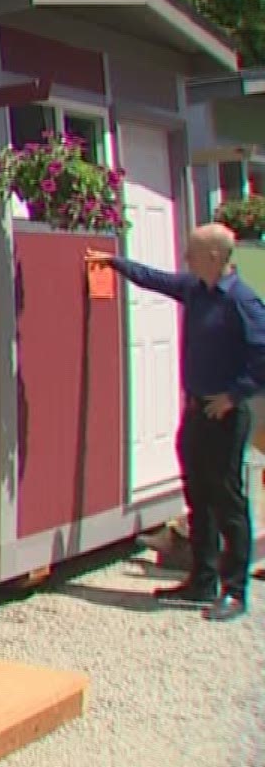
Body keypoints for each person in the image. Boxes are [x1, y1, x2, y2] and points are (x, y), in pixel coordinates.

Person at [89, 222, 265, 622]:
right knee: (197, 497)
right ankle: (201, 582)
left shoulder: (241, 300)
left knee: (227, 502)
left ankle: (234, 591)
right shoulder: (196, 290)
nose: (186, 257)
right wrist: (115, 262)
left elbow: (263, 354)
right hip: (196, 413)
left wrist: (234, 395)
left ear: (215, 257)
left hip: (225, 415)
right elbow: (157, 279)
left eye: (193, 251)